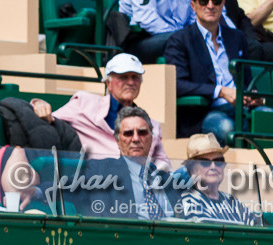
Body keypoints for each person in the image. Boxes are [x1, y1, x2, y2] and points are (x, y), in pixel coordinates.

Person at [30, 53, 171, 168]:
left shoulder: (151, 125)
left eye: (135, 77)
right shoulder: (85, 103)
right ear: (108, 83)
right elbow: (50, 117)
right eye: (123, 77)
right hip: (97, 179)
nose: (130, 82)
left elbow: (163, 163)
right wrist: (38, 103)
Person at [165, 0, 249, 141]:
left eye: (216, 1)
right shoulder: (180, 40)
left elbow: (247, 79)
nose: (210, 6)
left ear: (223, 5)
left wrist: (252, 94)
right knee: (226, 127)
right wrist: (220, 92)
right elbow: (178, 84)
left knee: (269, 117)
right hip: (204, 112)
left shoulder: (237, 37)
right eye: (204, 1)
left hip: (241, 108)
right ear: (193, 5)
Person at [174, 130, 261, 223]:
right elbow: (208, 234)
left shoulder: (232, 201)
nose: (213, 167)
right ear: (191, 169)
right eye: (205, 162)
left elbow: (255, 229)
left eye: (218, 161)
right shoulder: (189, 202)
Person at [119, 0, 194, 61]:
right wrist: (180, 36)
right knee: (180, 41)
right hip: (138, 38)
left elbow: (193, 18)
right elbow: (147, 20)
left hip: (173, 35)